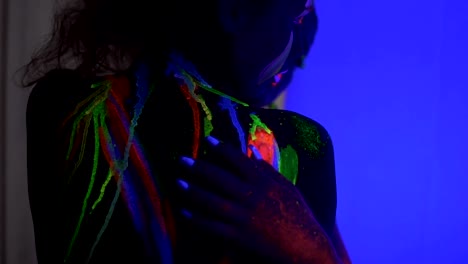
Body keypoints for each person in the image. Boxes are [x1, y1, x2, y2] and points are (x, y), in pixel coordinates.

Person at [23, 0, 351, 263]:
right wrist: (310, 249)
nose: (292, 48)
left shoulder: (61, 104)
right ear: (233, 11)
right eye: (293, 17)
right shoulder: (302, 143)